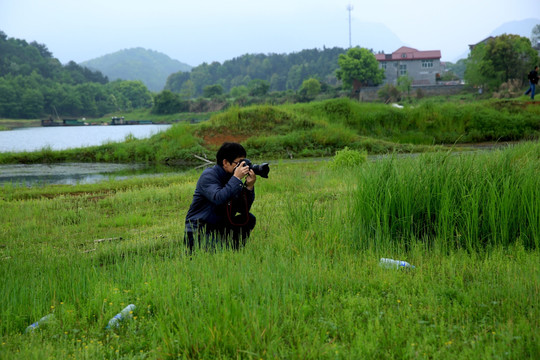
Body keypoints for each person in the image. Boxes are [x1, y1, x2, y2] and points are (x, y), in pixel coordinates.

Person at [184, 142, 256, 252]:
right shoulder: (209, 176)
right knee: (219, 253)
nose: (242, 167)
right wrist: (236, 179)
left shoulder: (232, 177)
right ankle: (223, 248)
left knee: (248, 218)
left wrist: (249, 188)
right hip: (200, 229)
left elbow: (242, 209)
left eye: (243, 163)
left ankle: (236, 248)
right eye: (239, 163)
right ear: (225, 162)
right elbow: (219, 198)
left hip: (220, 226)